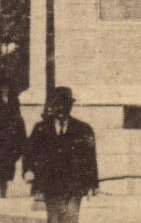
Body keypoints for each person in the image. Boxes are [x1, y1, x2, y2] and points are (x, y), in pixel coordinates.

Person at [23, 87, 99, 223]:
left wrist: (93, 184)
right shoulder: (41, 129)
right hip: (50, 185)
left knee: (70, 218)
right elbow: (30, 153)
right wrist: (28, 170)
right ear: (53, 106)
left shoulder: (83, 129)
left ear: (70, 106)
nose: (62, 109)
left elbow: (90, 158)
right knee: (54, 219)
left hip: (74, 186)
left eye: (66, 105)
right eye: (58, 104)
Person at [0, 81, 27, 197]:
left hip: (12, 135)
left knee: (11, 159)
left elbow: (18, 115)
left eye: (7, 87)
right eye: (3, 87)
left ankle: (7, 179)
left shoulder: (14, 100)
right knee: (0, 161)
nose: (5, 89)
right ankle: (2, 186)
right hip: (0, 136)